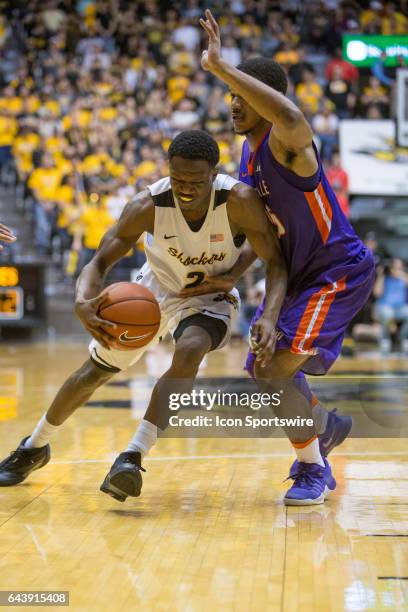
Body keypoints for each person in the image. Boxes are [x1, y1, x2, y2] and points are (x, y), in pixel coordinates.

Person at [0, 130, 287, 502]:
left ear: (214, 174)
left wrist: (266, 311)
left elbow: (276, 261)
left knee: (192, 347)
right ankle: (34, 447)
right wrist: (82, 302)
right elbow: (100, 260)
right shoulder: (147, 205)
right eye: (179, 178)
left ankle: (132, 456)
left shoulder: (238, 200)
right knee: (94, 372)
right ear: (168, 168)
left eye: (196, 182)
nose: (186, 188)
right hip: (153, 292)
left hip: (209, 297)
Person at [184, 10, 376, 505]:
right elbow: (265, 238)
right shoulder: (249, 160)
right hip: (296, 273)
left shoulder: (289, 143)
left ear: (263, 99)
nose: (232, 105)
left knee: (273, 369)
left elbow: (291, 115)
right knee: (264, 366)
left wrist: (221, 66)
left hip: (336, 271)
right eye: (229, 97)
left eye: (241, 96)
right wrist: (227, 275)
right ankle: (323, 429)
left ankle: (315, 470)